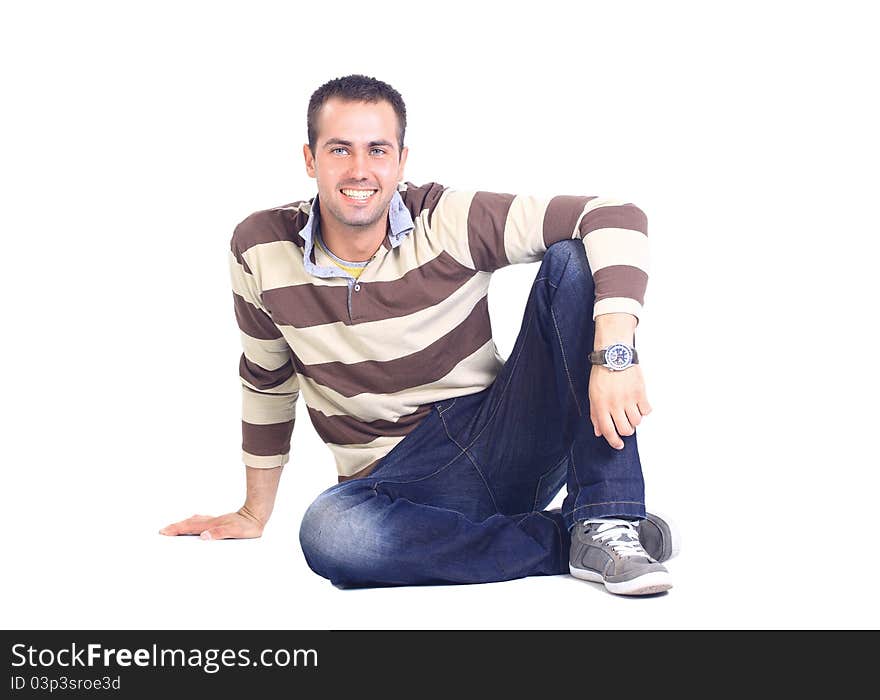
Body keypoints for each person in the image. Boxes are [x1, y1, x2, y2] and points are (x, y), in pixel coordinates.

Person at [159, 74, 680, 596]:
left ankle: (609, 512)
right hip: (393, 480)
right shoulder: (261, 247)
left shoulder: (446, 219)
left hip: (499, 435)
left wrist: (615, 355)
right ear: (310, 159)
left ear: (401, 160)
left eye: (377, 150)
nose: (359, 170)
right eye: (340, 149)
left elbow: (614, 214)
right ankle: (575, 539)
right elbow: (266, 378)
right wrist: (254, 510)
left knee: (573, 259)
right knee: (330, 532)